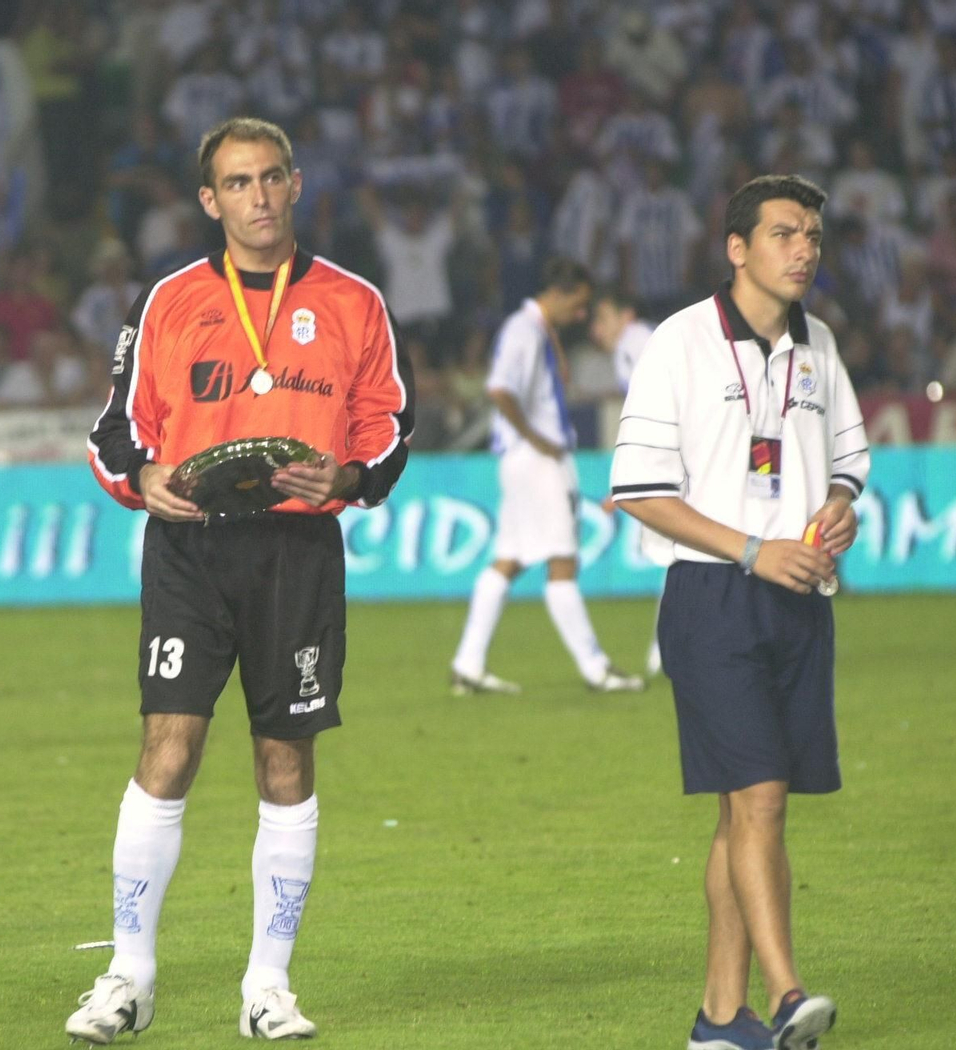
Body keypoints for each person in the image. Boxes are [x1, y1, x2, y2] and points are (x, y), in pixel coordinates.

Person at [70, 116, 413, 1044]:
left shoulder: (354, 302)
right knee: (168, 748)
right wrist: (142, 482)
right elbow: (115, 430)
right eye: (237, 182)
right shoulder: (173, 299)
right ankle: (126, 976)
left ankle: (269, 984)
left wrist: (347, 477)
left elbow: (388, 427)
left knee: (285, 760)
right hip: (192, 548)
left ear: (296, 184)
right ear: (208, 200)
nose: (257, 197)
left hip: (297, 553)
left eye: (271, 178)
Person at [611, 174, 869, 1050]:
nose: (805, 249)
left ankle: (722, 1020)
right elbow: (639, 492)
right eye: (786, 233)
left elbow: (849, 459)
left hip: (801, 602)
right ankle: (789, 992)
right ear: (737, 248)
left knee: (745, 813)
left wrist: (840, 504)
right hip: (713, 599)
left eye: (813, 237)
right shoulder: (678, 344)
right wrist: (754, 549)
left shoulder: (820, 344)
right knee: (758, 801)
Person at [449, 260, 645, 697]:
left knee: (509, 559)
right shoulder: (525, 330)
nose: (581, 316)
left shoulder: (532, 329)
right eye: (579, 305)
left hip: (520, 461)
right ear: (562, 291)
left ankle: (468, 663)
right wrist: (538, 440)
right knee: (563, 564)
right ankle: (597, 669)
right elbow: (500, 388)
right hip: (538, 462)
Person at [589, 288, 665, 678]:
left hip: (678, 455)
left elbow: (653, 407)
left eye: (602, 318)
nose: (595, 328)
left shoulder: (637, 343)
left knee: (684, 554)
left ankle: (665, 648)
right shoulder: (635, 345)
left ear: (626, 314)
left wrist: (631, 474)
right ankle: (666, 648)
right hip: (675, 453)